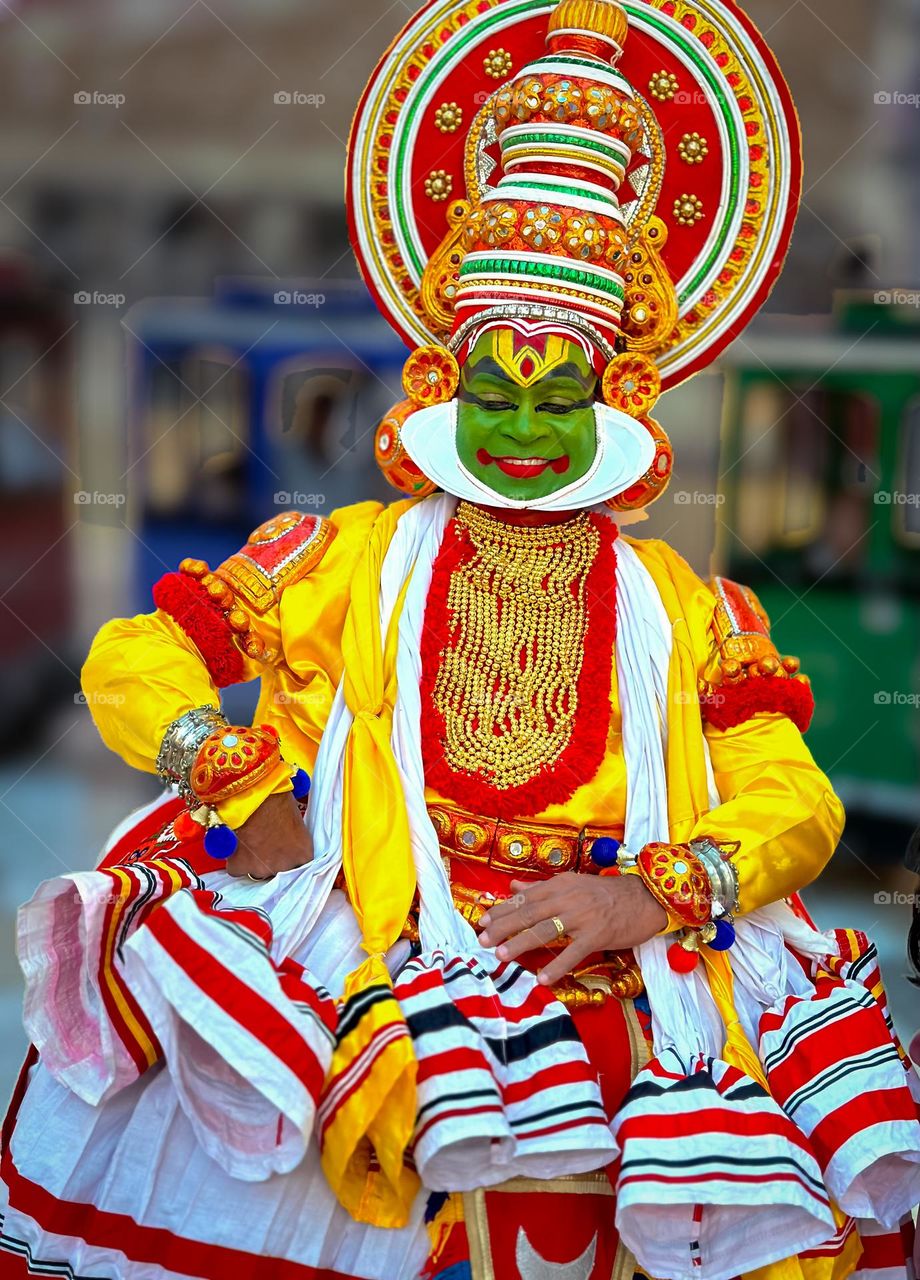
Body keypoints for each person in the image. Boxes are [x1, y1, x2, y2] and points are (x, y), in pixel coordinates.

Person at [2, 0, 919, 1277]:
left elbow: (791, 796)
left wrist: (643, 891)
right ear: (442, 385)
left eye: (561, 395)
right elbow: (135, 657)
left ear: (618, 400)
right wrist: (229, 772)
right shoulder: (340, 557)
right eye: (495, 389)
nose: (525, 427)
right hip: (369, 948)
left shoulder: (689, 608)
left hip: (617, 966)